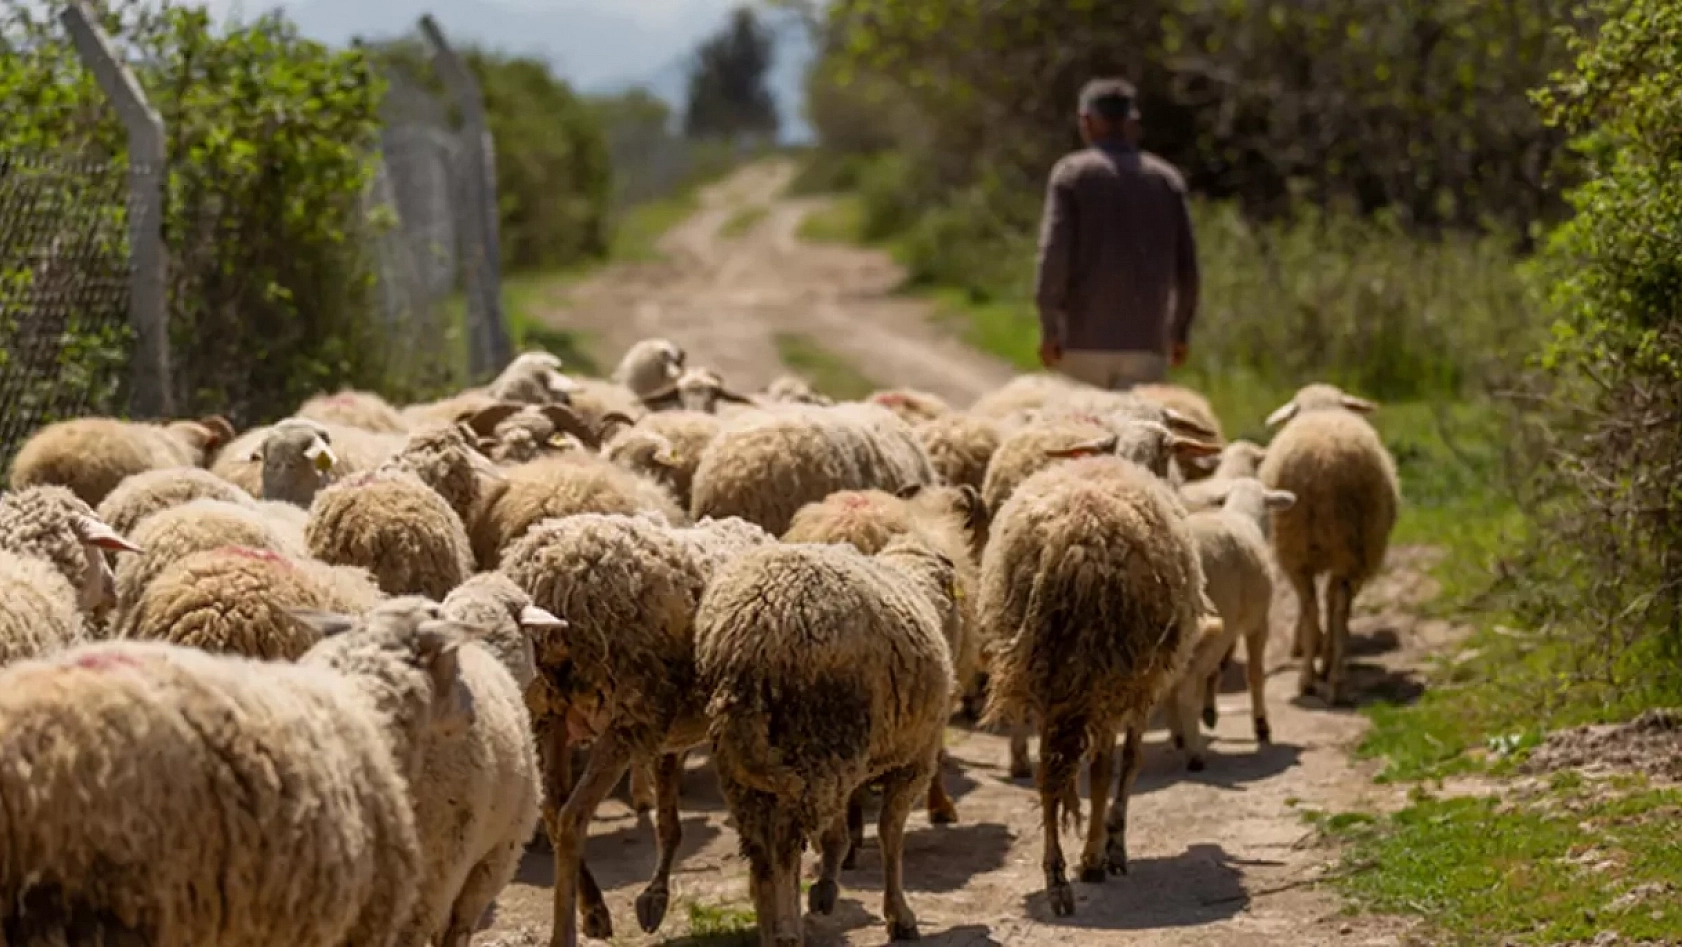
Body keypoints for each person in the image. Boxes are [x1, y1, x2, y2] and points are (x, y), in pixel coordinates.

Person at [1032, 77, 1200, 391]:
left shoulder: (1072, 175)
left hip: (1081, 342)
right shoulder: (1166, 180)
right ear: (1132, 122)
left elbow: (1054, 256)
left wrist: (1050, 327)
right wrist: (1179, 331)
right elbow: (1187, 270)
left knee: (1082, 421)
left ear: (1086, 121)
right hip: (1147, 343)